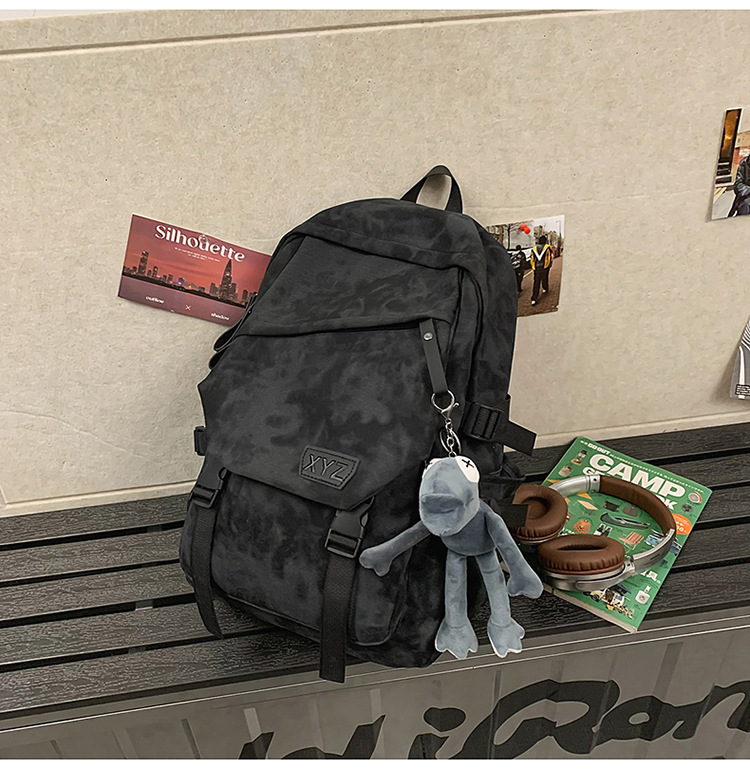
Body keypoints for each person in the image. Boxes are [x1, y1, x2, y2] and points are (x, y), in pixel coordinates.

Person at [529, 235, 553, 306]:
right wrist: (549, 265)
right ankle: (545, 288)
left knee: (536, 282)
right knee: (545, 278)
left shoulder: (534, 248)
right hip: (545, 266)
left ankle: (534, 298)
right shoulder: (548, 247)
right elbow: (550, 257)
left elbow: (532, 259)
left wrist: (533, 267)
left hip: (537, 268)